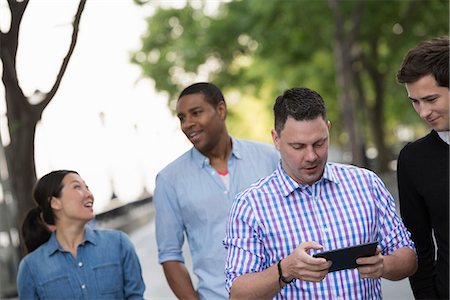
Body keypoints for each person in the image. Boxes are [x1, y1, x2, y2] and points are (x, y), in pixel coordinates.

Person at [224, 87, 417, 299]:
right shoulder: (250, 205)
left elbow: (408, 258)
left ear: (328, 129)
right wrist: (285, 269)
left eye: (319, 143)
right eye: (298, 146)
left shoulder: (366, 183)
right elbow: (238, 293)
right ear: (276, 139)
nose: (311, 156)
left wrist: (384, 265)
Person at [153, 82, 279, 299]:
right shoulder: (169, 180)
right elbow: (170, 255)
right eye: (182, 118)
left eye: (196, 113)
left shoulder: (270, 158)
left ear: (221, 110)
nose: (188, 124)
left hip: (281, 293)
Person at [17, 170, 145, 299]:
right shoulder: (31, 267)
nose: (89, 194)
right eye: (77, 187)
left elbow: (136, 296)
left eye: (87, 188)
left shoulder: (119, 243)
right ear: (55, 202)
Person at [396, 36, 449, 299]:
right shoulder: (413, 160)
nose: (423, 112)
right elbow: (418, 245)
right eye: (415, 101)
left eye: (430, 99)